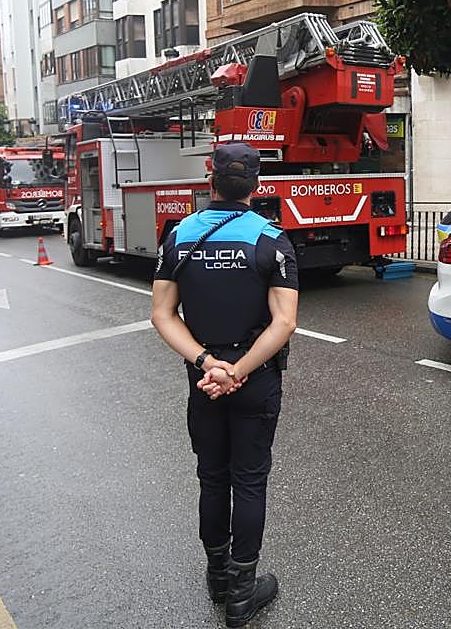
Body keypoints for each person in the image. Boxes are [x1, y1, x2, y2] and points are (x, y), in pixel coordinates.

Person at [150, 142, 298, 628]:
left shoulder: (179, 236)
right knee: (249, 481)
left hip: (203, 380)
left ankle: (217, 576)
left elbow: (162, 314)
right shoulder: (271, 240)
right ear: (257, 185)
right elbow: (284, 322)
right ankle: (241, 594)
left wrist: (206, 363)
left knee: (212, 477)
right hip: (254, 379)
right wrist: (238, 370)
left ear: (209, 177)